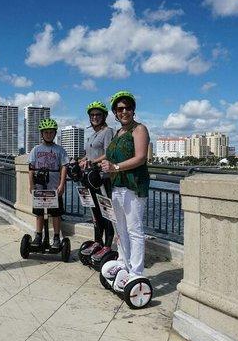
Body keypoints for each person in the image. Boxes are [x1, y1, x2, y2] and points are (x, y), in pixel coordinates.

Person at [101, 90, 150, 290]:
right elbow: (109, 155)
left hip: (133, 186)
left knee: (135, 230)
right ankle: (123, 262)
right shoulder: (118, 132)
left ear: (133, 110)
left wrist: (116, 167)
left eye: (128, 108)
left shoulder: (139, 130)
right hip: (117, 186)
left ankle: (136, 272)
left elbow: (140, 158)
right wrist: (97, 162)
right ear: (115, 112)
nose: (124, 111)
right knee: (120, 229)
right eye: (120, 109)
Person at [78, 101, 115, 261]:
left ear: (104, 116)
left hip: (103, 179)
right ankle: (97, 241)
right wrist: (81, 161)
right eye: (92, 115)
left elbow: (109, 154)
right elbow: (90, 155)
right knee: (95, 212)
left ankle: (107, 245)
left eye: (98, 114)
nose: (95, 117)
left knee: (106, 212)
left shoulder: (108, 132)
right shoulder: (92, 134)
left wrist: (93, 162)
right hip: (90, 177)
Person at [28, 118, 69, 249]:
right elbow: (31, 168)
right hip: (40, 187)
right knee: (39, 213)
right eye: (46, 132)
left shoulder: (60, 150)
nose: (48, 135)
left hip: (54, 188)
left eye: (51, 132)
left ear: (55, 134)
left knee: (56, 214)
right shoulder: (36, 149)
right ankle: (38, 235)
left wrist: (62, 184)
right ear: (42, 134)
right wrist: (31, 185)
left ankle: (56, 237)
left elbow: (64, 167)